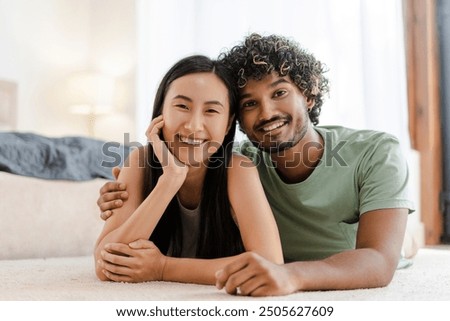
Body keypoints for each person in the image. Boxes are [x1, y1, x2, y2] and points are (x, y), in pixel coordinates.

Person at [97, 34, 415, 296]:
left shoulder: (377, 152)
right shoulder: (238, 160)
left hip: (354, 257)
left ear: (309, 95)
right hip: (280, 262)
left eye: (279, 92)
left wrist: (292, 276)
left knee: (405, 245)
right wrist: (134, 186)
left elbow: (377, 261)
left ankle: (410, 239)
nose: (266, 113)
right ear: (237, 119)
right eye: (250, 103)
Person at [94, 54, 283, 284]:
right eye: (182, 106)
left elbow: (270, 263)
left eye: (211, 111)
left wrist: (162, 268)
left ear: (228, 123)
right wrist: (170, 180)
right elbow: (106, 266)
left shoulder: (238, 170)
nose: (194, 125)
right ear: (160, 112)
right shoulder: (140, 162)